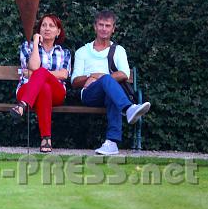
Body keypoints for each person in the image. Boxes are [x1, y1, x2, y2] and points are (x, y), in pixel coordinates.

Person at [71, 10, 151, 155]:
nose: (104, 28)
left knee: (110, 91)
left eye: (108, 26)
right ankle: (129, 109)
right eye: (101, 25)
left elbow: (124, 74)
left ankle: (112, 143)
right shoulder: (82, 51)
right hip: (89, 94)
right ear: (95, 27)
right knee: (107, 80)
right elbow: (75, 81)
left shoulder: (118, 50)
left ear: (113, 29)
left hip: (111, 94)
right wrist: (91, 76)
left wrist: (101, 77)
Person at [10, 14, 71, 153]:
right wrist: (36, 44)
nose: (47, 29)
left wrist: (38, 74)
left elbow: (64, 74)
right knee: (44, 88)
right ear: (39, 30)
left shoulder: (64, 52)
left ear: (58, 31)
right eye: (43, 25)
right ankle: (46, 139)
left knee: (41, 73)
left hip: (57, 92)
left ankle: (23, 106)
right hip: (26, 90)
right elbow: (33, 65)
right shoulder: (27, 47)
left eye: (51, 26)